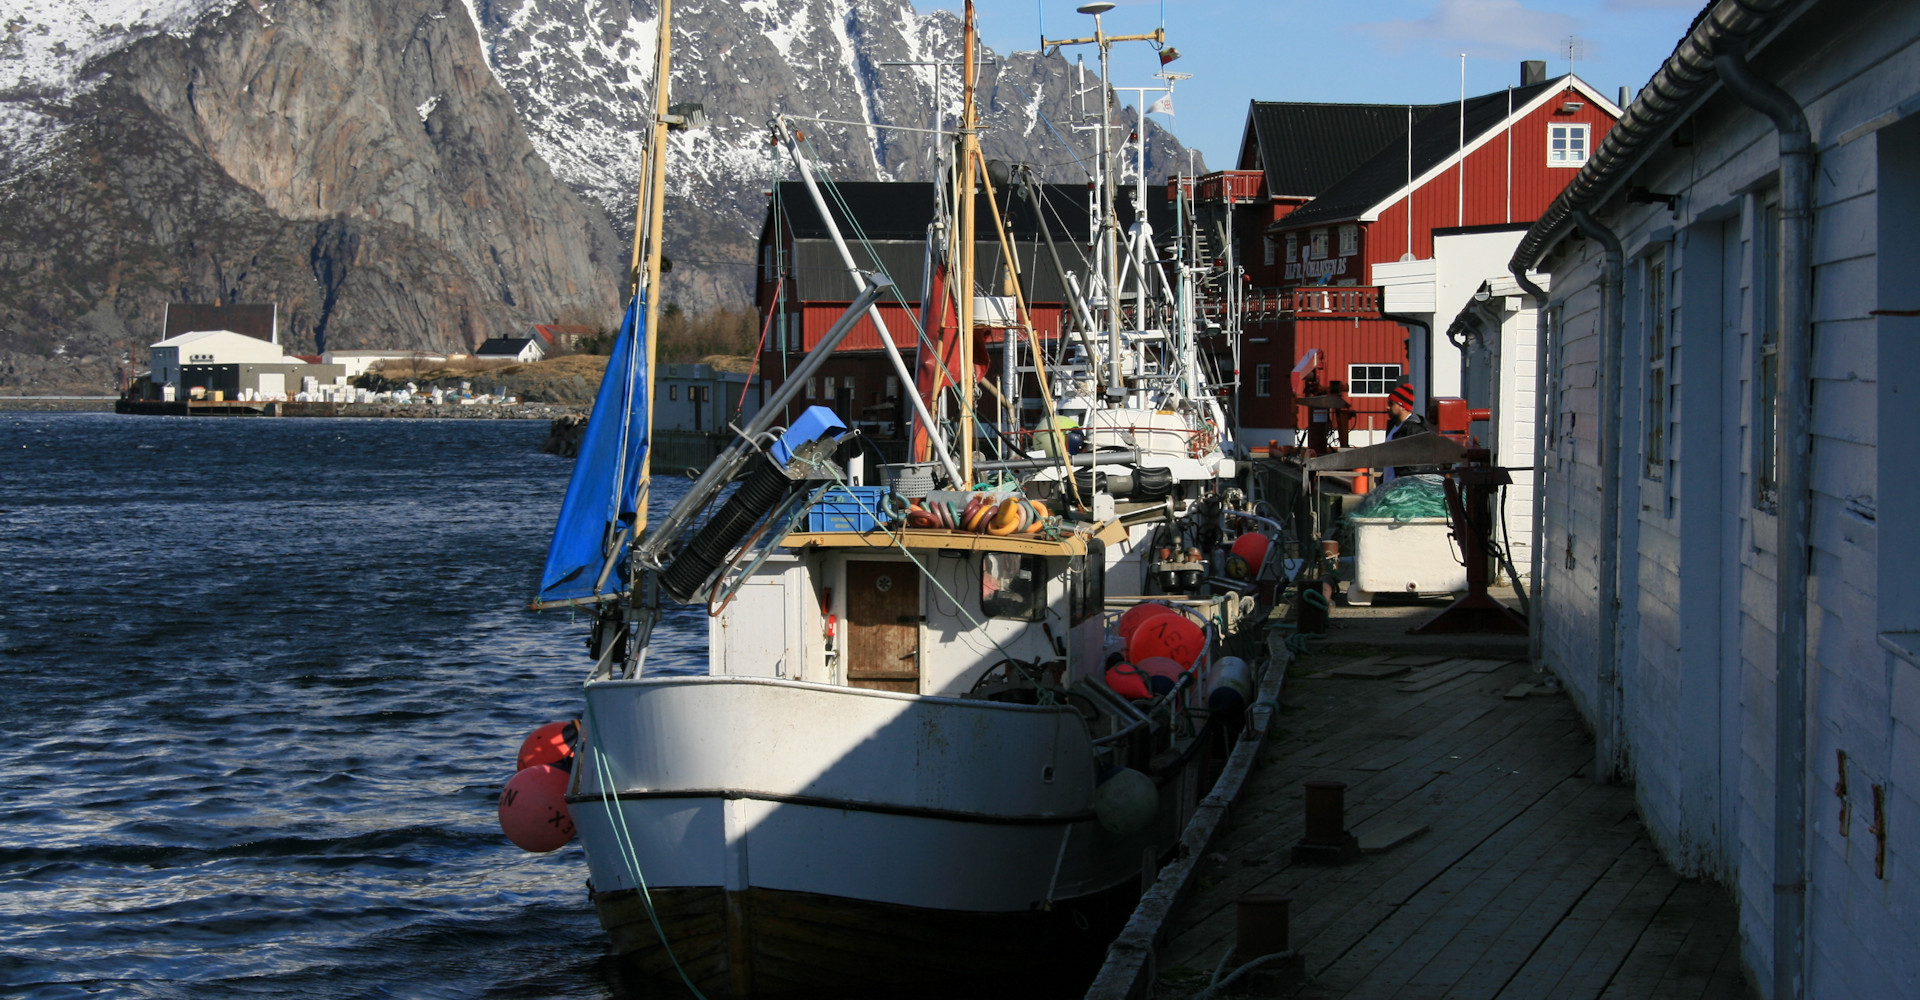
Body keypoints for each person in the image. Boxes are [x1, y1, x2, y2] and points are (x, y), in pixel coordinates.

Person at [1382, 379, 1430, 484]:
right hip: (1389, 489)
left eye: (1391, 404)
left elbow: (1417, 467)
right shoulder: (1393, 426)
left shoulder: (1415, 430)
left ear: (1403, 407)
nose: (1387, 407)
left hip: (1402, 492)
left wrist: (1402, 487)